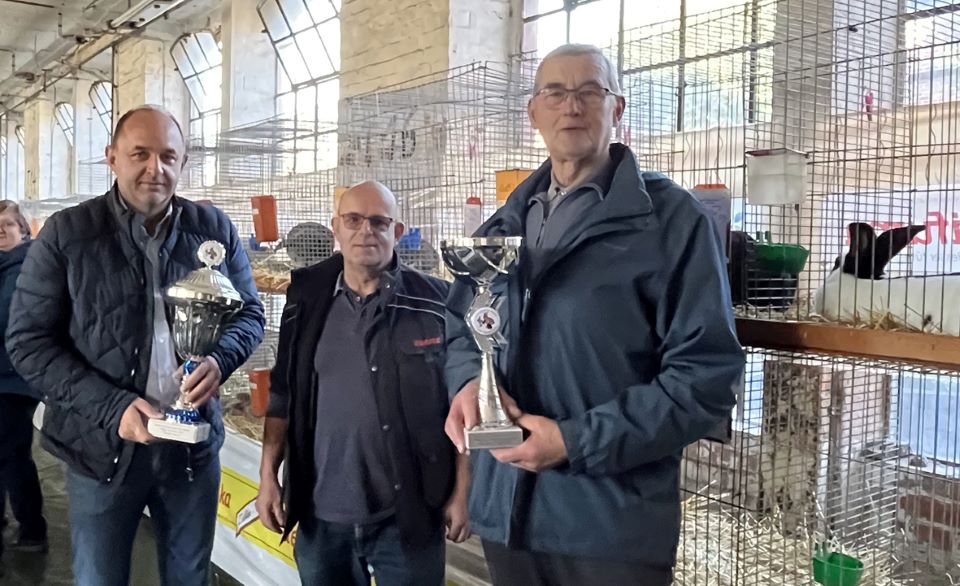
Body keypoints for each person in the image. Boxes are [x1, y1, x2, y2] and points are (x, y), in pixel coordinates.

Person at [444, 44, 746, 586]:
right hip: (506, 515)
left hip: (608, 527)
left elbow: (706, 378)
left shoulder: (671, 223)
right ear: (533, 113)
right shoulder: (502, 225)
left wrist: (576, 441)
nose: (572, 106)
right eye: (555, 92)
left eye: (590, 91)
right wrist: (469, 384)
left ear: (617, 108)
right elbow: (463, 330)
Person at [6, 105, 265, 586]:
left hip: (191, 454)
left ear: (183, 162)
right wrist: (112, 407)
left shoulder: (213, 230)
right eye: (140, 154)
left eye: (168, 156)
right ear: (112, 157)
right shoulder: (69, 233)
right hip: (100, 449)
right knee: (99, 577)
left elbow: (250, 312)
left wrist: (218, 358)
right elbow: (28, 342)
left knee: (189, 577)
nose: (155, 168)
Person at [255, 181, 470, 586]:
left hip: (408, 515)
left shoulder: (436, 303)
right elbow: (282, 395)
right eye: (353, 220)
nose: (365, 231)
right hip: (321, 516)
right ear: (335, 227)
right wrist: (268, 476)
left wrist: (462, 491)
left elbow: (462, 403)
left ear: (397, 231)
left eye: (378, 222)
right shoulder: (305, 300)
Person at [0, 201, 47, 573]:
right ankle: (28, 527)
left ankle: (33, 529)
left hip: (13, 380)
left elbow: (6, 318)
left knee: (11, 454)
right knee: (10, 454)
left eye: (7, 225)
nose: (1, 231)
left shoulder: (21, 268)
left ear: (23, 230)